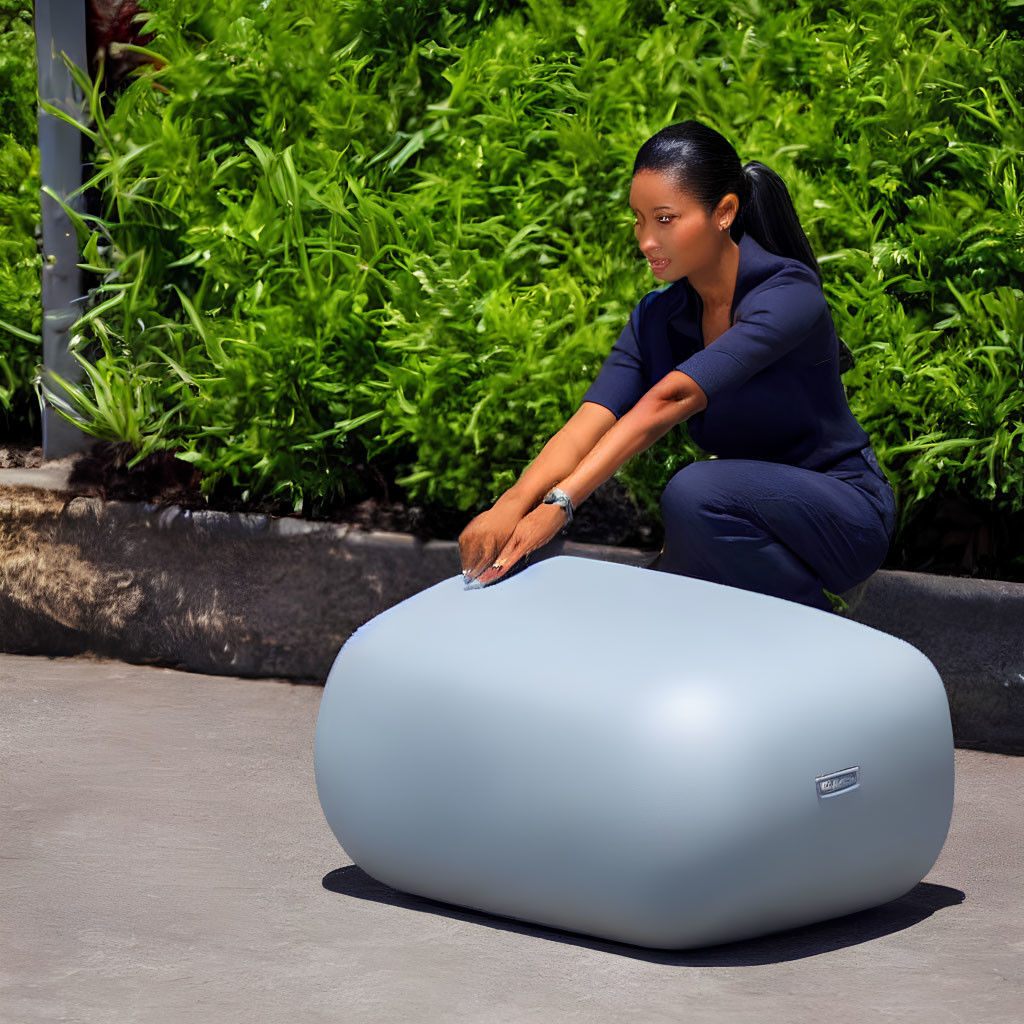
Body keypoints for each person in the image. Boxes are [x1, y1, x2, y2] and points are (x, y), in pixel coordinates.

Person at [458, 121, 896, 610]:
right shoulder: (658, 318)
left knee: (692, 491)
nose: (646, 240)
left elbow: (671, 399)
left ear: (724, 212)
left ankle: (818, 627)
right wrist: (511, 504)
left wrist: (560, 504)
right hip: (747, 520)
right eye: (638, 219)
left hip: (845, 515)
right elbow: (589, 423)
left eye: (664, 219)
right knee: (655, 592)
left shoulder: (787, 293)